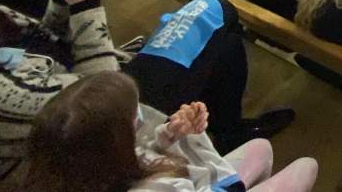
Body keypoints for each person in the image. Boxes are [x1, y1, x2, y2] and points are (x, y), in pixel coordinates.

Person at [24, 72, 317, 192]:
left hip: (189, 180)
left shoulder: (77, 165)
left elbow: (143, 152)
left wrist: (169, 136)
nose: (142, 116)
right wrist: (193, 138)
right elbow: (202, 172)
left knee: (261, 146)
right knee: (307, 165)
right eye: (134, 115)